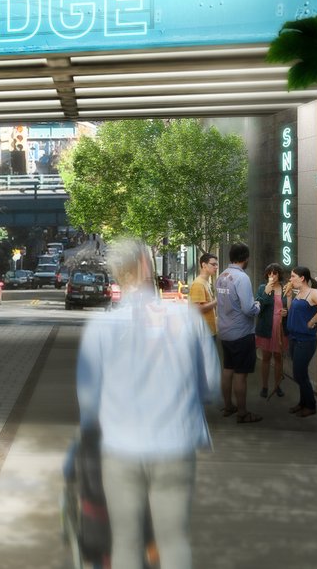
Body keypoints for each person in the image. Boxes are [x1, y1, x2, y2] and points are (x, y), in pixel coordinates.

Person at [76, 238, 219, 569]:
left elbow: (88, 403)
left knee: (125, 540)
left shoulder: (100, 327)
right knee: (173, 538)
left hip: (121, 447)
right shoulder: (186, 320)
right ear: (146, 267)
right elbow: (210, 385)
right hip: (174, 444)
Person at [214, 243, 262, 424]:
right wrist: (258, 305)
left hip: (224, 330)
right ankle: (242, 413)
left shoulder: (221, 276)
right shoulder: (242, 278)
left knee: (227, 369)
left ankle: (228, 406)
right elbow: (248, 308)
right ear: (246, 258)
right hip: (241, 332)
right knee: (241, 374)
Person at [283, 267, 317, 418]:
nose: (290, 279)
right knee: (299, 373)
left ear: (302, 278)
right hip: (294, 337)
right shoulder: (299, 294)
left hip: (306, 340)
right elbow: (291, 312)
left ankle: (310, 405)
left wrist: (312, 321)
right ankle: (303, 402)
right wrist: (289, 297)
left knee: (299, 373)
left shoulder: (313, 293)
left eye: (293, 276)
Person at [254, 264, 287, 400]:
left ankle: (277, 385)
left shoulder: (285, 288)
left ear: (279, 275)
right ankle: (265, 386)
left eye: (274, 274)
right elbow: (259, 308)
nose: (272, 276)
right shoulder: (263, 288)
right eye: (269, 274)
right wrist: (267, 291)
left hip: (280, 327)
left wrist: (287, 312)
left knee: (279, 357)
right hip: (266, 326)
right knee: (266, 357)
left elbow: (289, 306)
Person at [188, 253, 218, 339]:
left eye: (216, 264)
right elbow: (198, 309)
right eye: (213, 264)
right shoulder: (198, 283)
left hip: (208, 332)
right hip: (203, 334)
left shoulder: (205, 282)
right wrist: (216, 302)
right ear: (204, 265)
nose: (216, 267)